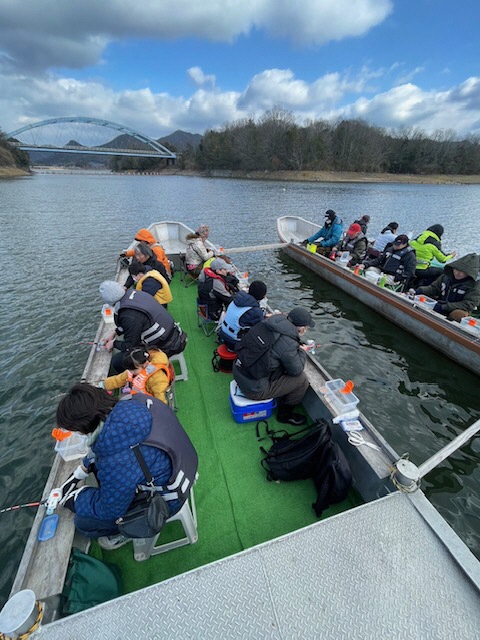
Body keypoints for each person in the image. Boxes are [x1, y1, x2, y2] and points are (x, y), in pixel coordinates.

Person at [56, 383, 198, 547]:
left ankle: (127, 533)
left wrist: (76, 498)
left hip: (167, 502)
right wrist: (83, 469)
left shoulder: (117, 461)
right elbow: (112, 442)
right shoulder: (133, 403)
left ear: (84, 426)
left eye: (75, 430)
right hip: (183, 467)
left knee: (83, 522)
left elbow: (110, 509)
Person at [233, 307, 314, 426]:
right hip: (253, 390)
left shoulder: (267, 323)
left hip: (237, 371)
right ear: (301, 328)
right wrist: (302, 351)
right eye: (306, 327)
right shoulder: (289, 343)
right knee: (301, 380)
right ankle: (284, 416)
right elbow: (296, 370)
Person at [99, 280, 187, 372]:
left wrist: (113, 343)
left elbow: (131, 345)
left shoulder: (128, 315)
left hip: (168, 346)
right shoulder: (135, 294)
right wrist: (114, 333)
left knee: (118, 361)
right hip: (175, 334)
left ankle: (135, 381)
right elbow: (132, 324)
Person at [416, 253, 480, 321]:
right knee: (423, 298)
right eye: (456, 269)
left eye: (462, 271)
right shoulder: (446, 276)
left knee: (458, 314)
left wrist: (445, 307)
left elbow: (468, 304)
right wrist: (420, 290)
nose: (457, 273)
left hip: (456, 309)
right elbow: (434, 288)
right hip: (440, 302)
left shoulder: (475, 285)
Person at [100, 346, 175, 404]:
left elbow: (161, 400)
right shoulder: (134, 369)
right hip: (139, 396)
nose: (130, 372)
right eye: (129, 370)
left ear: (145, 364)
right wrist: (103, 384)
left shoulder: (157, 378)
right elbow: (118, 379)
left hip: (151, 402)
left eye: (133, 370)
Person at [219, 280, 267, 350]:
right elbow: (261, 326)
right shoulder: (256, 311)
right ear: (262, 296)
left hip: (222, 331)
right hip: (233, 340)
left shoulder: (236, 299)